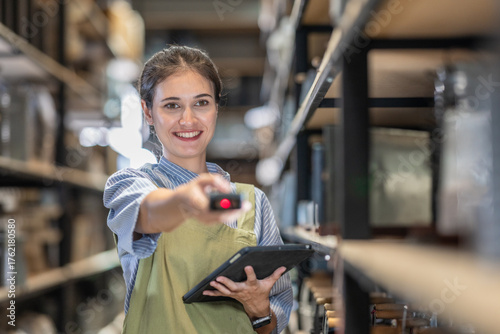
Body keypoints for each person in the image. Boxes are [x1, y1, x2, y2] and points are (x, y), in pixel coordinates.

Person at [103, 45, 293, 333]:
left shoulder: (252, 202)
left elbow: (272, 326)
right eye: (171, 105)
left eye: (201, 103)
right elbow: (148, 212)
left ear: (216, 107)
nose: (188, 120)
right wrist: (186, 202)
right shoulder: (129, 185)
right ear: (148, 112)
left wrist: (259, 311)